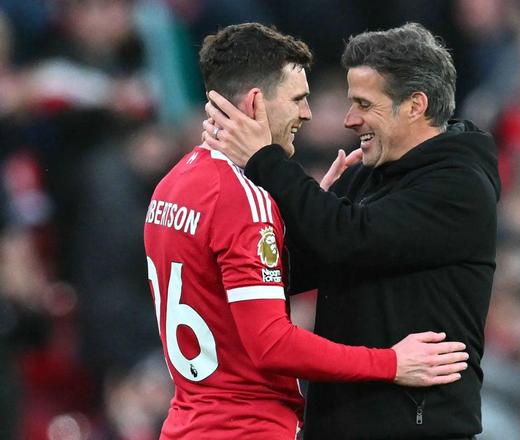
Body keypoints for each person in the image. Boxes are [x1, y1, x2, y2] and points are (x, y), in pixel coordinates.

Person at [143, 23, 469, 440]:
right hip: (248, 429)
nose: (307, 113)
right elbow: (271, 344)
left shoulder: (172, 186)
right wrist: (391, 363)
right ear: (256, 102)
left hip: (187, 425)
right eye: (297, 99)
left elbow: (222, 291)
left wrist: (301, 218)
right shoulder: (242, 200)